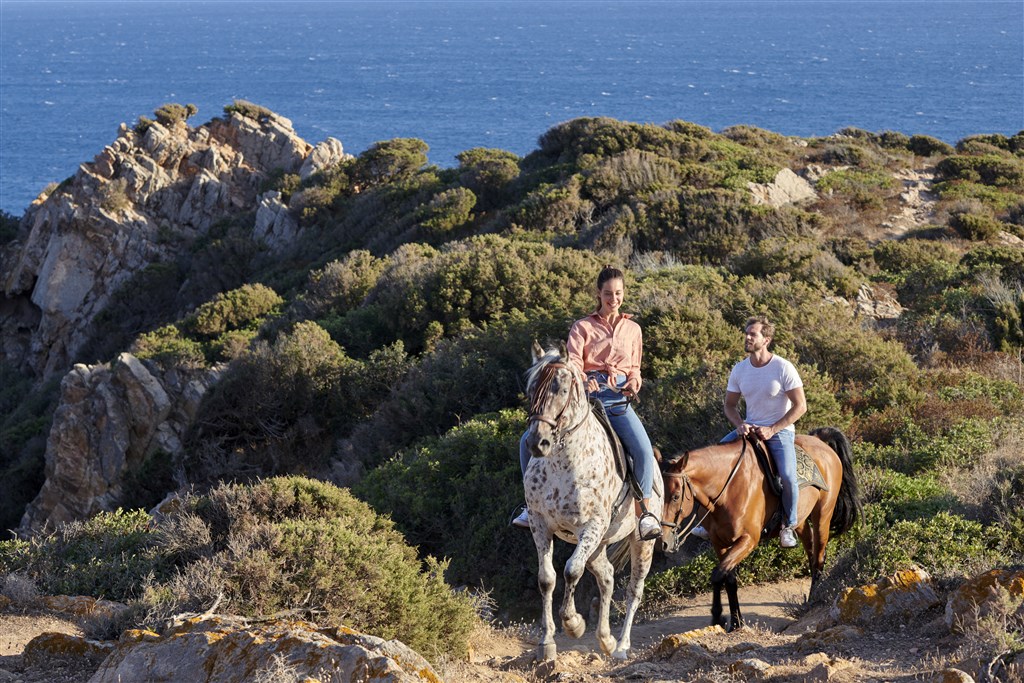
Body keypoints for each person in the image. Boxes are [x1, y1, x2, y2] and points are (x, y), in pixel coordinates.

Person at [513, 265, 661, 541]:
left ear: (623, 293)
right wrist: (584, 380)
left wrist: (634, 380)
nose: (613, 299)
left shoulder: (633, 329)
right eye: (608, 293)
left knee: (642, 449)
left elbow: (636, 367)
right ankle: (529, 506)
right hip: (587, 398)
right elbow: (574, 363)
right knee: (525, 441)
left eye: (618, 293)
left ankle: (645, 514)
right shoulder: (582, 327)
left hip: (618, 399)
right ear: (598, 293)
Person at [697, 316, 806, 547]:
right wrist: (740, 424)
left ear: (766, 339)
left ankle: (789, 526)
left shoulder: (783, 367)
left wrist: (773, 428)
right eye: (746, 333)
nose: (747, 337)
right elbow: (729, 405)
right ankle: (705, 521)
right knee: (711, 461)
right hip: (749, 429)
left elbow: (801, 406)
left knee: (787, 476)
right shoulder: (740, 369)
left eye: (752, 334)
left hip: (779, 432)